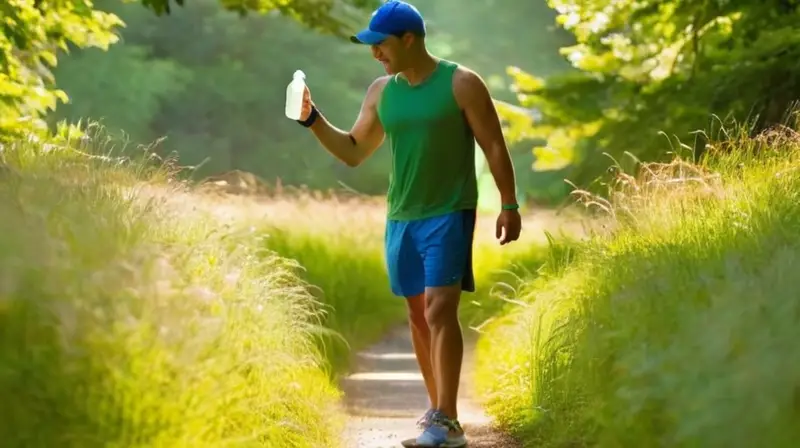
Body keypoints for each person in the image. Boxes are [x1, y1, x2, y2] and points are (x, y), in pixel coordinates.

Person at [294, 1, 521, 446]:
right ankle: (441, 416)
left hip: (449, 212)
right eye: (371, 46)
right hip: (401, 216)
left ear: (409, 39)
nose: (375, 53)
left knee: (440, 308)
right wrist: (312, 119)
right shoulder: (382, 92)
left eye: (381, 45)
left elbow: (494, 146)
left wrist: (509, 204)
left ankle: (446, 417)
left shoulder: (462, 83)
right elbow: (354, 150)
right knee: (418, 315)